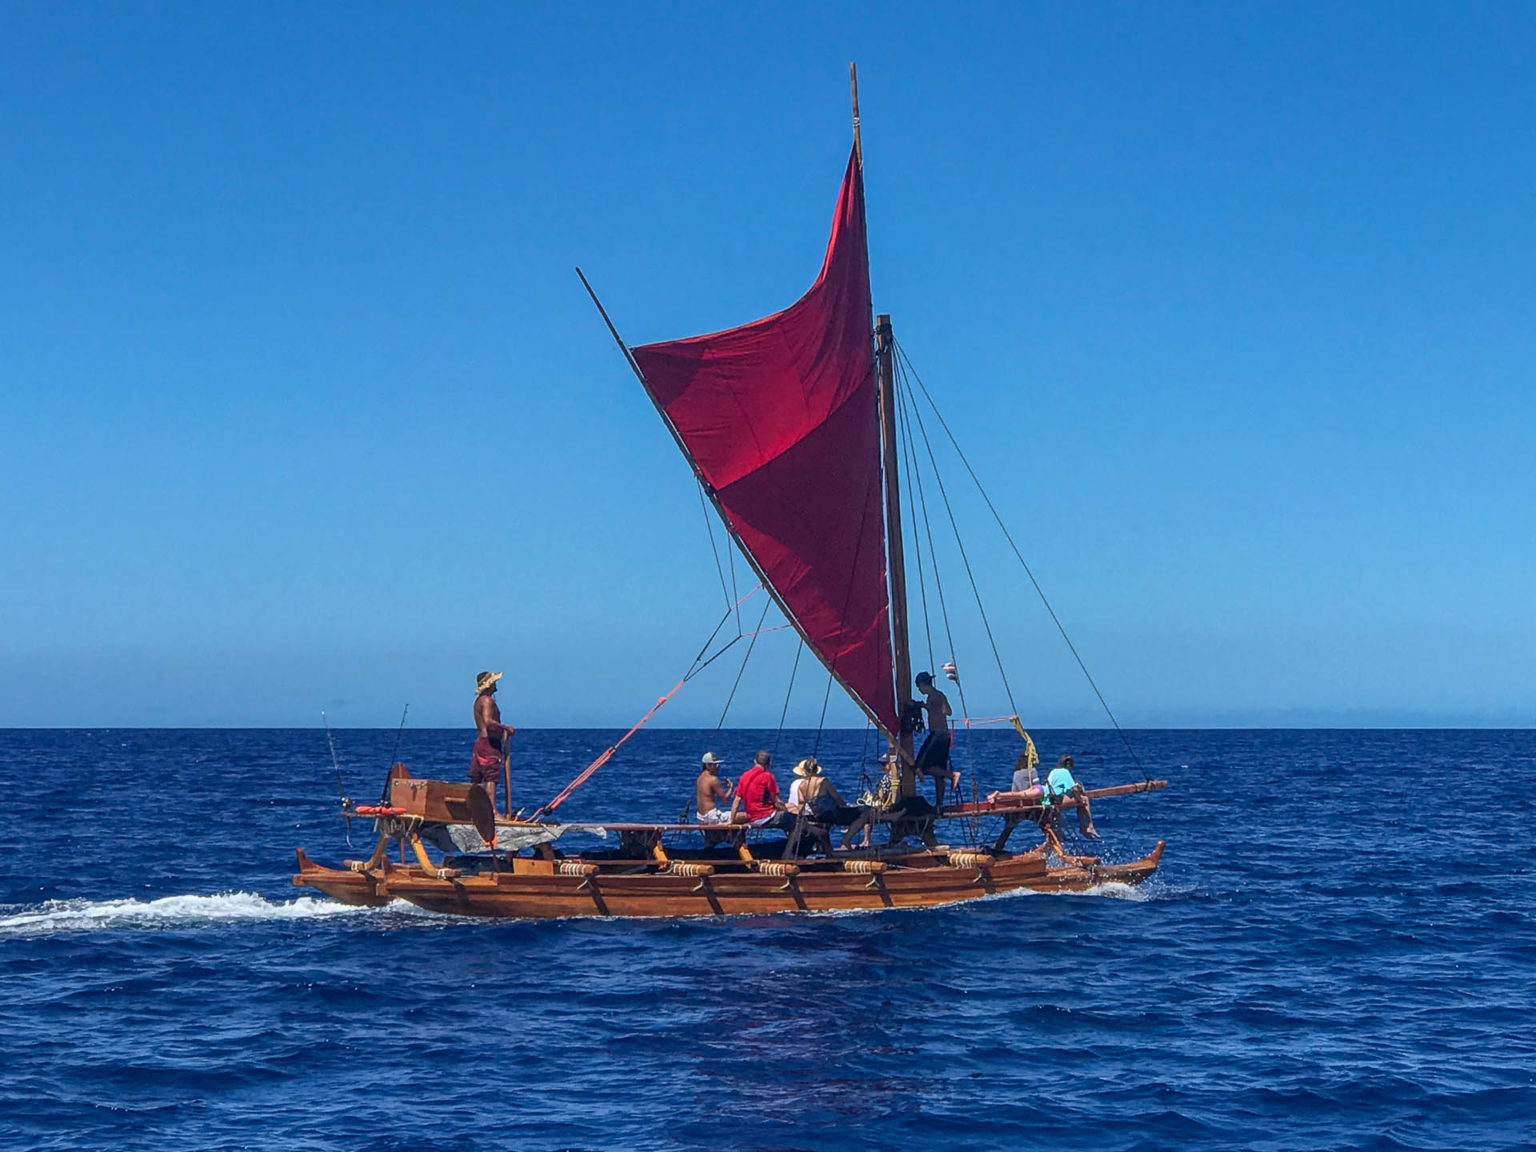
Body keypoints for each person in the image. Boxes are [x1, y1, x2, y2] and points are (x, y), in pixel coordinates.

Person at [912, 671, 960, 811]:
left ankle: (952, 775)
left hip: (937, 735)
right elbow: (948, 711)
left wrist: (921, 705)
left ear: (922, 684)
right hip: (944, 736)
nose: (919, 690)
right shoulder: (940, 695)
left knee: (921, 767)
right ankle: (939, 805)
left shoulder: (933, 697)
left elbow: (934, 707)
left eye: (919, 687)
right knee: (938, 772)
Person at [470, 670, 515, 809]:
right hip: (489, 744)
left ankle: (475, 810)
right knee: (491, 777)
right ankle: (492, 811)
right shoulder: (487, 701)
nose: (496, 685)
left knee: (478, 778)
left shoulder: (478, 701)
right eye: (494, 682)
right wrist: (505, 728)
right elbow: (488, 721)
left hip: (480, 743)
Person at [731, 750, 795, 831]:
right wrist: (785, 811)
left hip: (752, 817)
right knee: (795, 819)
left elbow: (736, 801)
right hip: (766, 817)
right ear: (768, 764)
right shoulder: (767, 776)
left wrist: (731, 820)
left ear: (755, 761)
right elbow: (777, 801)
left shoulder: (744, 776)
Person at [1044, 754, 1099, 838]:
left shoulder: (1053, 772)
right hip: (1058, 799)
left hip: (1048, 799)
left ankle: (1059, 830)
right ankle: (1088, 826)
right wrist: (1080, 799)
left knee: (1061, 807)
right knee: (1084, 800)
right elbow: (1074, 789)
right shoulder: (1065, 772)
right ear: (1069, 765)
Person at [695, 752, 734, 823]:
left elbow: (708, 792)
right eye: (715, 764)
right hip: (711, 817)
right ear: (708, 765)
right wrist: (731, 788)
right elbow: (725, 800)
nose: (717, 767)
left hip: (701, 818)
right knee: (744, 815)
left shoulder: (699, 779)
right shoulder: (713, 779)